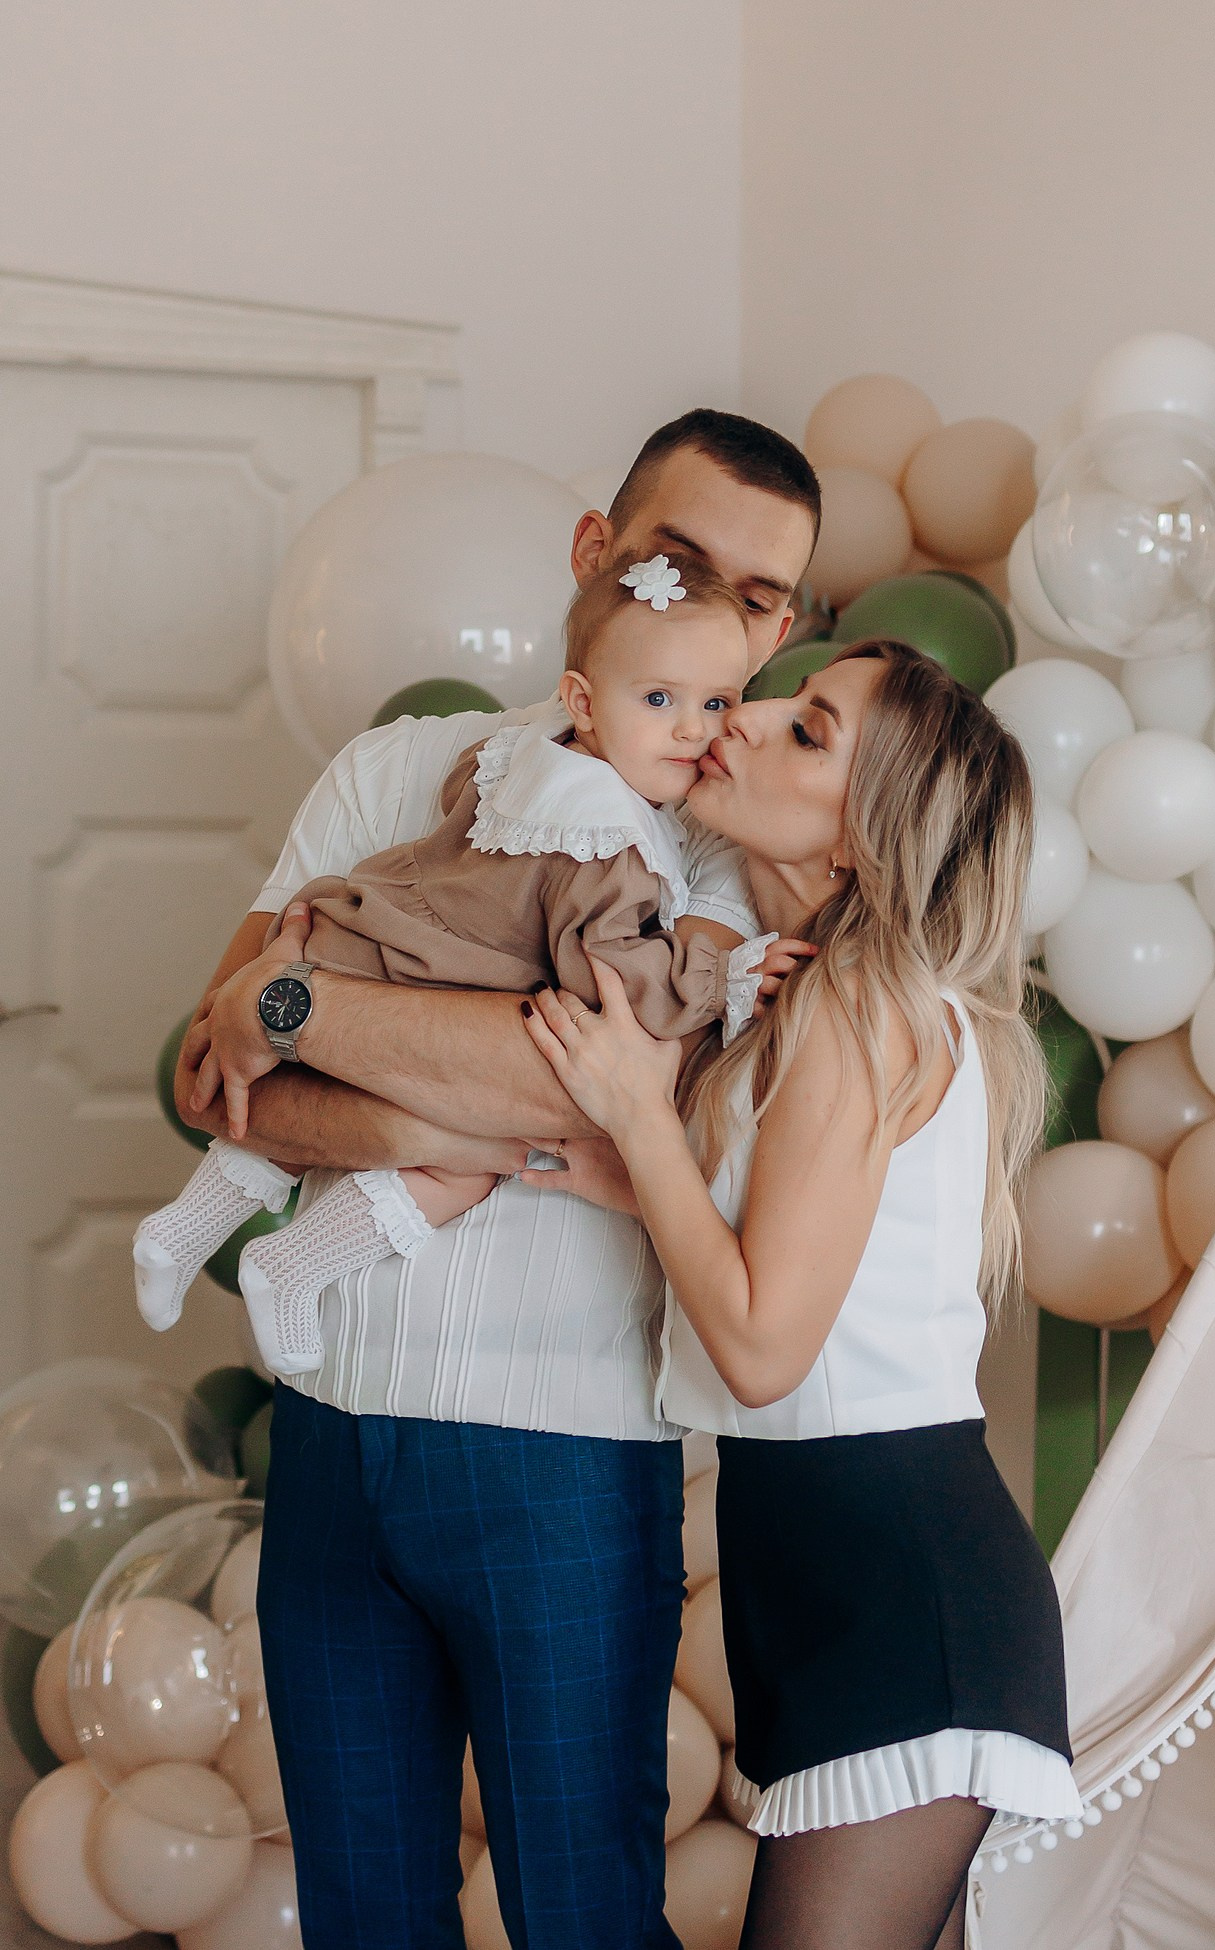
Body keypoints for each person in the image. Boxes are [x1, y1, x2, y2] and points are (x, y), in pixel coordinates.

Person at [179, 409, 821, 1950]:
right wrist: (478, 1110)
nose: (717, 613)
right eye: (678, 561)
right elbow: (217, 1077)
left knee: (581, 1917)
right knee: (365, 1916)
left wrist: (302, 1007)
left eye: (759, 596)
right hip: (330, 1435)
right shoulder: (396, 768)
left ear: (783, 627)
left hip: (564, 1459)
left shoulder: (732, 842)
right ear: (597, 552)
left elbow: (611, 1077)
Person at [519, 641, 1082, 1950]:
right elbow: (793, 1263)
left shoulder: (864, 1004)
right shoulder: (824, 996)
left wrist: (638, 1117)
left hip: (898, 1592)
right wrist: (637, 1168)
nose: (750, 715)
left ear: (865, 831)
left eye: (810, 729)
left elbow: (767, 1346)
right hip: (842, 1578)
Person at [135, 550, 794, 1378]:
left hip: (355, 937)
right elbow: (615, 993)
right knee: (470, 1162)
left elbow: (458, 800)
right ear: (583, 700)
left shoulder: (521, 758)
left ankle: (182, 1231)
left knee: (304, 1100)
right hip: (419, 976)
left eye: (716, 703)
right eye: (660, 700)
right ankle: (294, 1265)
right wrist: (722, 979)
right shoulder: (610, 844)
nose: (693, 730)